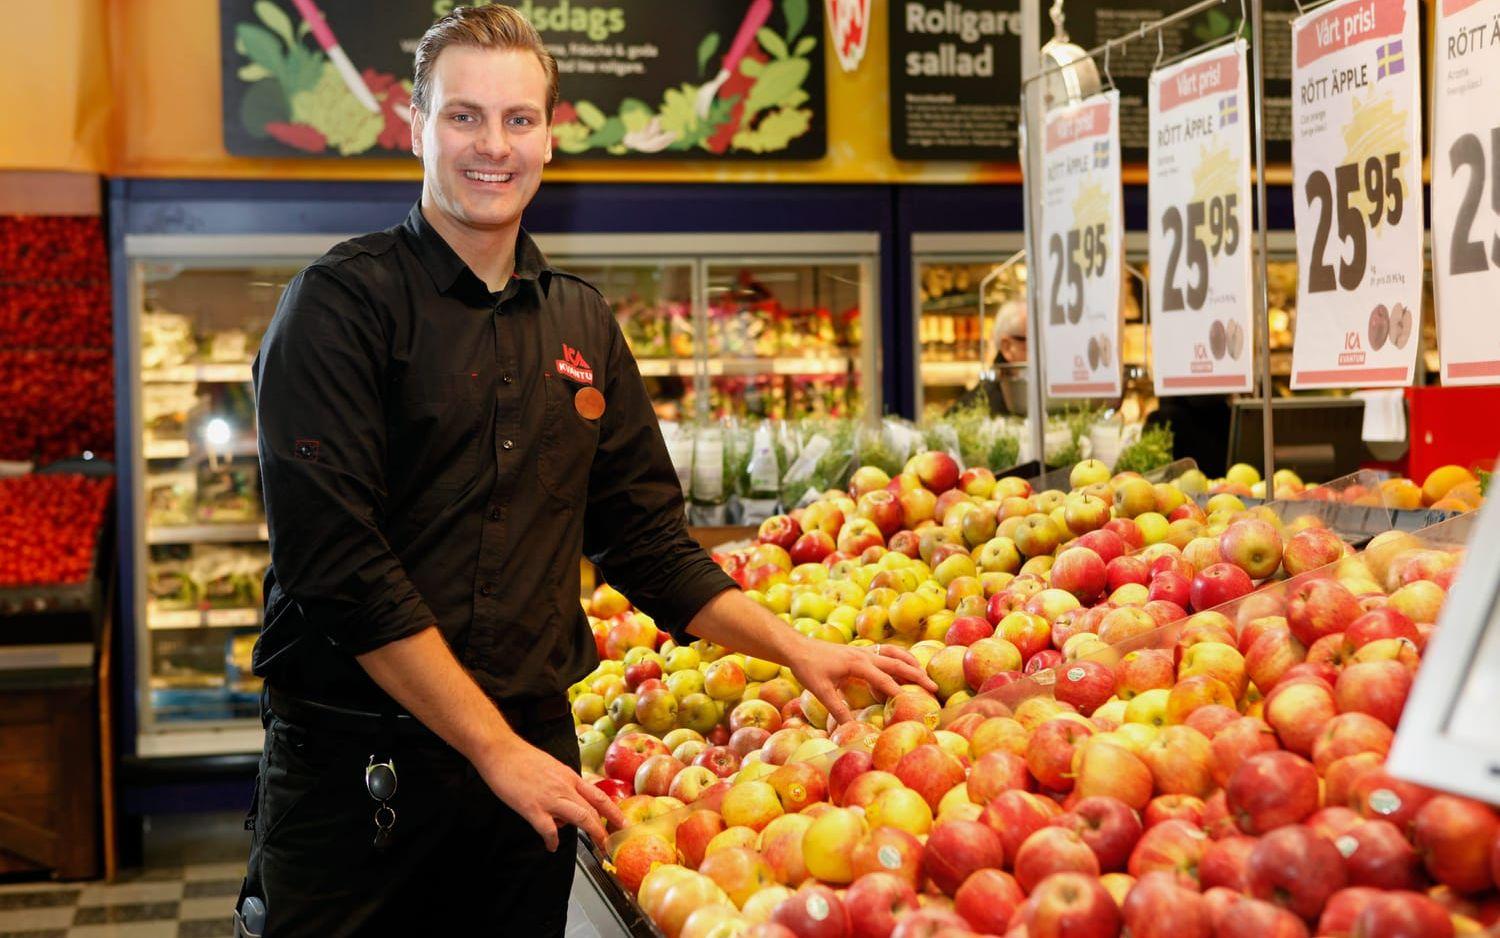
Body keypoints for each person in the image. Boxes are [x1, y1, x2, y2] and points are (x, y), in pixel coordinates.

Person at [238, 6, 934, 936]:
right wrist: (494, 748)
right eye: (464, 116)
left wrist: (795, 649)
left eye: (519, 119)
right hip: (360, 783)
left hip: (526, 776)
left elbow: (644, 541)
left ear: (551, 139)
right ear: (415, 126)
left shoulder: (582, 327)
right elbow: (341, 571)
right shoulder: (338, 308)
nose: (494, 145)